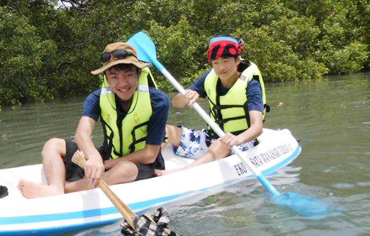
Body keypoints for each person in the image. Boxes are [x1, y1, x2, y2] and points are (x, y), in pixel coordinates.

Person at [18, 42, 170, 198]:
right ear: (106, 78)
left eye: (128, 75)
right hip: (107, 156)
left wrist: (106, 164)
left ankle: (66, 189)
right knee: (53, 144)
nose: (122, 83)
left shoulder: (158, 101)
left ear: (138, 73)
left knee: (125, 169)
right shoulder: (96, 98)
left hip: (143, 165)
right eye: (114, 77)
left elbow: (150, 154)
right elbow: (82, 133)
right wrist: (94, 157)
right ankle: (54, 188)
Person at [156, 35, 268, 175]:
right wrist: (185, 96)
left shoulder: (251, 83)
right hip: (211, 137)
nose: (221, 67)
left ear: (237, 60)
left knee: (222, 143)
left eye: (226, 61)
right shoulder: (210, 77)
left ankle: (181, 172)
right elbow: (176, 103)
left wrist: (237, 139)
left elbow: (257, 127)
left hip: (241, 142)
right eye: (216, 63)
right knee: (162, 129)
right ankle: (148, 165)